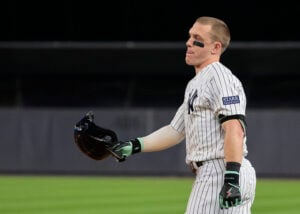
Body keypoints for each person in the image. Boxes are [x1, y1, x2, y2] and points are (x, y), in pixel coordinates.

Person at [112, 16, 256, 213]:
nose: (188, 42)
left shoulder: (219, 77)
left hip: (220, 171)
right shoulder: (197, 84)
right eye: (189, 36)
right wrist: (135, 145)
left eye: (197, 38)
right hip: (226, 170)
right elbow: (175, 131)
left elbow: (234, 129)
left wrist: (231, 177)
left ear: (215, 48)